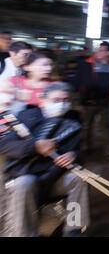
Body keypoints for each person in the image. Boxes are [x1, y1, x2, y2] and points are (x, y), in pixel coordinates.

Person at [0, 82, 89, 236]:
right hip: (23, 176)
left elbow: (77, 151)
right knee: (25, 183)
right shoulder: (25, 118)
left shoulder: (72, 123)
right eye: (56, 100)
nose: (61, 104)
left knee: (79, 177)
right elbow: (5, 145)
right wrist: (34, 146)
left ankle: (74, 229)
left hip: (52, 179)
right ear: (42, 100)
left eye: (65, 100)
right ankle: (25, 233)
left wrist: (74, 155)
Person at [74, 41, 109, 160]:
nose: (99, 52)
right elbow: (77, 80)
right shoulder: (87, 64)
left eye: (103, 50)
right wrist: (80, 97)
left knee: (108, 126)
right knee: (87, 125)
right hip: (90, 101)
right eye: (99, 49)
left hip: (108, 101)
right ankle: (85, 146)